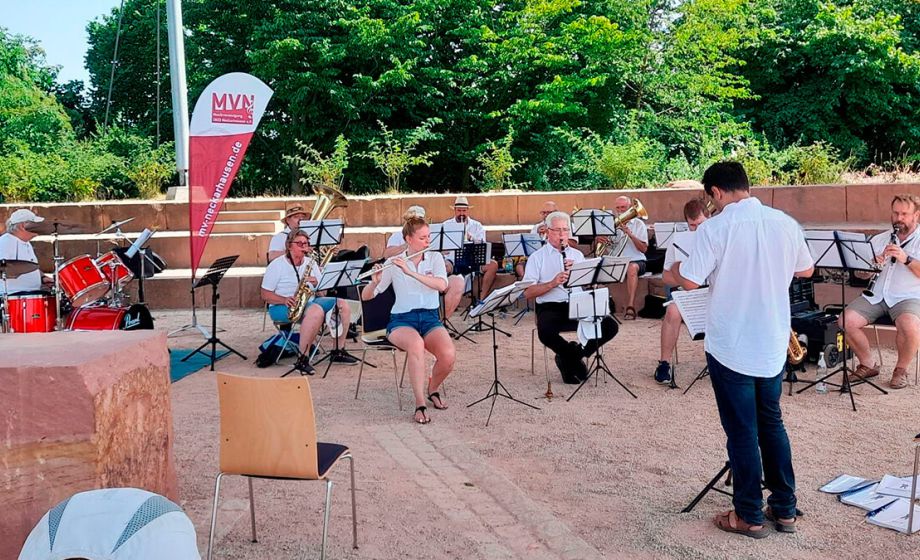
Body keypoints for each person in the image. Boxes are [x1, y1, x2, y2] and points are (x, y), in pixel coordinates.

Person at [671, 161, 814, 538]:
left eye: (710, 197)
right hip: (770, 341)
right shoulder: (784, 222)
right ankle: (784, 508)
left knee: (742, 431)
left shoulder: (715, 228)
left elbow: (688, 281)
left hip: (731, 344)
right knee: (772, 423)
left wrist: (675, 270)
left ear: (716, 193)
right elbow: (806, 270)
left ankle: (748, 514)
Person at [361, 217, 456, 424]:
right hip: (402, 319)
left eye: (429, 237)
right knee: (416, 345)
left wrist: (411, 273)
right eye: (422, 238)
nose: (427, 242)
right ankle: (420, 404)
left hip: (430, 317)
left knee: (448, 355)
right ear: (408, 239)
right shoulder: (393, 263)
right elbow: (368, 297)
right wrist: (373, 281)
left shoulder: (435, 259)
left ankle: (433, 388)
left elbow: (441, 285)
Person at [523, 211, 618, 384]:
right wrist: (552, 283)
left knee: (610, 325)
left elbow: (586, 286)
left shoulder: (577, 255)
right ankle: (570, 356)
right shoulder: (537, 258)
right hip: (550, 306)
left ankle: (570, 357)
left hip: (576, 303)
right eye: (557, 230)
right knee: (545, 331)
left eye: (565, 230)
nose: (562, 235)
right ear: (547, 231)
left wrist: (581, 274)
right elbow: (527, 293)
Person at [839, 194, 920, 390]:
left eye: (904, 214)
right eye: (895, 213)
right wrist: (872, 265)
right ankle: (868, 364)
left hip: (909, 296)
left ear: (916, 215)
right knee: (845, 321)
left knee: (909, 325)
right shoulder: (879, 239)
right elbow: (860, 275)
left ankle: (901, 370)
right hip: (877, 295)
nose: (899, 218)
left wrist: (906, 259)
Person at [261, 229, 357, 375]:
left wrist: (317, 284)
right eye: (299, 243)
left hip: (310, 300)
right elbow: (265, 294)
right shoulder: (276, 265)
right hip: (282, 306)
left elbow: (322, 293)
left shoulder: (310, 263)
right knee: (316, 310)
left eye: (306, 243)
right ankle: (303, 359)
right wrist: (284, 299)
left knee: (342, 304)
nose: (304, 247)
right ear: (289, 245)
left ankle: (338, 351)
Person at [653, 198, 710, 384]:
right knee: (672, 311)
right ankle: (664, 363)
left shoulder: (717, 237)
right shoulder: (678, 242)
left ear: (708, 218)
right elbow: (666, 277)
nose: (696, 230)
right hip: (686, 292)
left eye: (700, 224)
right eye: (692, 226)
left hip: (713, 291)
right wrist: (684, 277)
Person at [386, 205, 465, 318]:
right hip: (408, 280)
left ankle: (440, 321)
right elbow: (387, 254)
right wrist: (411, 244)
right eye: (413, 220)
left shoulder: (431, 234)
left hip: (431, 276)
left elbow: (443, 255)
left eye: (420, 220)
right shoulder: (398, 235)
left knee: (457, 282)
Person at [442, 196, 499, 301]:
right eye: (459, 210)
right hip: (453, 260)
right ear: (454, 210)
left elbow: (482, 244)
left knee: (493, 265)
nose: (461, 213)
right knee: (443, 267)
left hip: (473, 260)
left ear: (468, 210)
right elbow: (442, 247)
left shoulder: (477, 225)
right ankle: (445, 300)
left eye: (464, 210)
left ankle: (481, 300)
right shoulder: (446, 225)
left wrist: (470, 237)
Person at [611, 195, 649, 320]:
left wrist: (630, 234)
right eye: (618, 208)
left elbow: (643, 249)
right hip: (617, 260)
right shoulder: (611, 224)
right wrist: (601, 239)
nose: (621, 210)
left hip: (636, 260)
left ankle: (630, 306)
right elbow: (608, 248)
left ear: (630, 208)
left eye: (624, 207)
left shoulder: (639, 224)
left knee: (632, 268)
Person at [0, 209, 53, 295]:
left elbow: (29, 266)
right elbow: (4, 267)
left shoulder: (26, 242)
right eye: (34, 223)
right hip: (14, 296)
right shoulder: (5, 242)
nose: (38, 226)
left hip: (31, 294)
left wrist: (42, 277)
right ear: (23, 225)